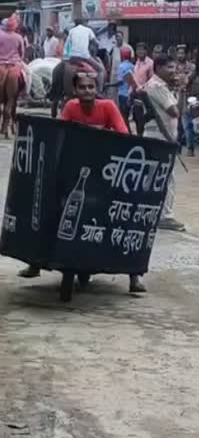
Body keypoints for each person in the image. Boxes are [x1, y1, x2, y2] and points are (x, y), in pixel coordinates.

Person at [23, 70, 144, 292]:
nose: (87, 91)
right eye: (83, 87)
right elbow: (58, 133)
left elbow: (123, 134)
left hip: (105, 171)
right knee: (47, 207)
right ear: (75, 90)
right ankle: (35, 263)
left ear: (96, 89)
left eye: (91, 87)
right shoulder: (70, 107)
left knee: (127, 215)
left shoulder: (107, 106)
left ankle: (134, 276)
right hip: (73, 170)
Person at [139, 54, 186, 232]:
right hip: (159, 137)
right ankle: (165, 215)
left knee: (154, 177)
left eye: (174, 68)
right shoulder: (157, 86)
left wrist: (181, 90)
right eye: (170, 67)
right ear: (158, 68)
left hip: (161, 136)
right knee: (166, 177)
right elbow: (174, 112)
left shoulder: (162, 86)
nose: (173, 71)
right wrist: (180, 89)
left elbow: (179, 111)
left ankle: (150, 212)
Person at [0, 17, 25, 137]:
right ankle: (24, 91)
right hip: (15, 65)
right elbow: (22, 53)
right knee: (28, 75)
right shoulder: (18, 37)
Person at [66, 19, 105, 92]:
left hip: (72, 56)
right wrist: (98, 45)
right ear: (84, 22)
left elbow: (68, 44)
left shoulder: (71, 31)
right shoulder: (88, 30)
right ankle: (99, 91)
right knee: (100, 70)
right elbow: (95, 43)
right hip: (84, 56)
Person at [174, 45, 196, 148]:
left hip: (187, 98)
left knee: (187, 124)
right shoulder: (173, 66)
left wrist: (181, 78)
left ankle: (190, 148)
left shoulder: (191, 67)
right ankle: (176, 147)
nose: (180, 55)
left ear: (186, 54)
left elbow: (187, 80)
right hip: (175, 97)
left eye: (182, 53)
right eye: (179, 53)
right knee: (176, 125)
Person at [132, 43, 154, 136]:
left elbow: (152, 79)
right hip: (135, 93)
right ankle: (139, 135)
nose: (140, 52)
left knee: (143, 117)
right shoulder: (137, 62)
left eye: (142, 50)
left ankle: (142, 137)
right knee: (136, 116)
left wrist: (143, 88)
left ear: (146, 51)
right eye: (138, 50)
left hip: (145, 94)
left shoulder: (150, 63)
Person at [115, 47, 136, 126]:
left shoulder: (121, 66)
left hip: (122, 94)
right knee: (127, 115)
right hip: (130, 94)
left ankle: (127, 133)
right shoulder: (133, 66)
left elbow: (120, 82)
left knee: (123, 116)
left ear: (122, 56)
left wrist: (109, 85)